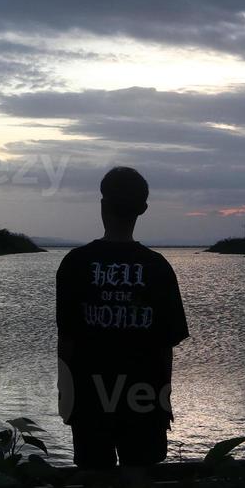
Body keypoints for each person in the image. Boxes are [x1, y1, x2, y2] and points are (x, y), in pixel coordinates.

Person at [55, 167, 189, 469]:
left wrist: (66, 396)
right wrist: (164, 401)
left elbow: (66, 340)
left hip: (90, 403)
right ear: (143, 209)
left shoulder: (74, 264)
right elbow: (165, 346)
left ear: (102, 205)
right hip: (144, 402)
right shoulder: (158, 268)